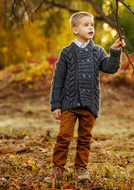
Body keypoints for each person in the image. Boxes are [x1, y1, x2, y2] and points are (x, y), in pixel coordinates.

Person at [44, 11, 126, 183]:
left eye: (92, 25)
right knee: (64, 136)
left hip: (90, 104)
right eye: (86, 25)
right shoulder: (66, 53)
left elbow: (109, 68)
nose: (90, 28)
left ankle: (81, 168)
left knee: (85, 138)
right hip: (69, 104)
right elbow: (58, 80)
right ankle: (57, 169)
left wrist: (115, 51)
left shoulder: (97, 51)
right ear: (75, 29)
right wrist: (56, 105)